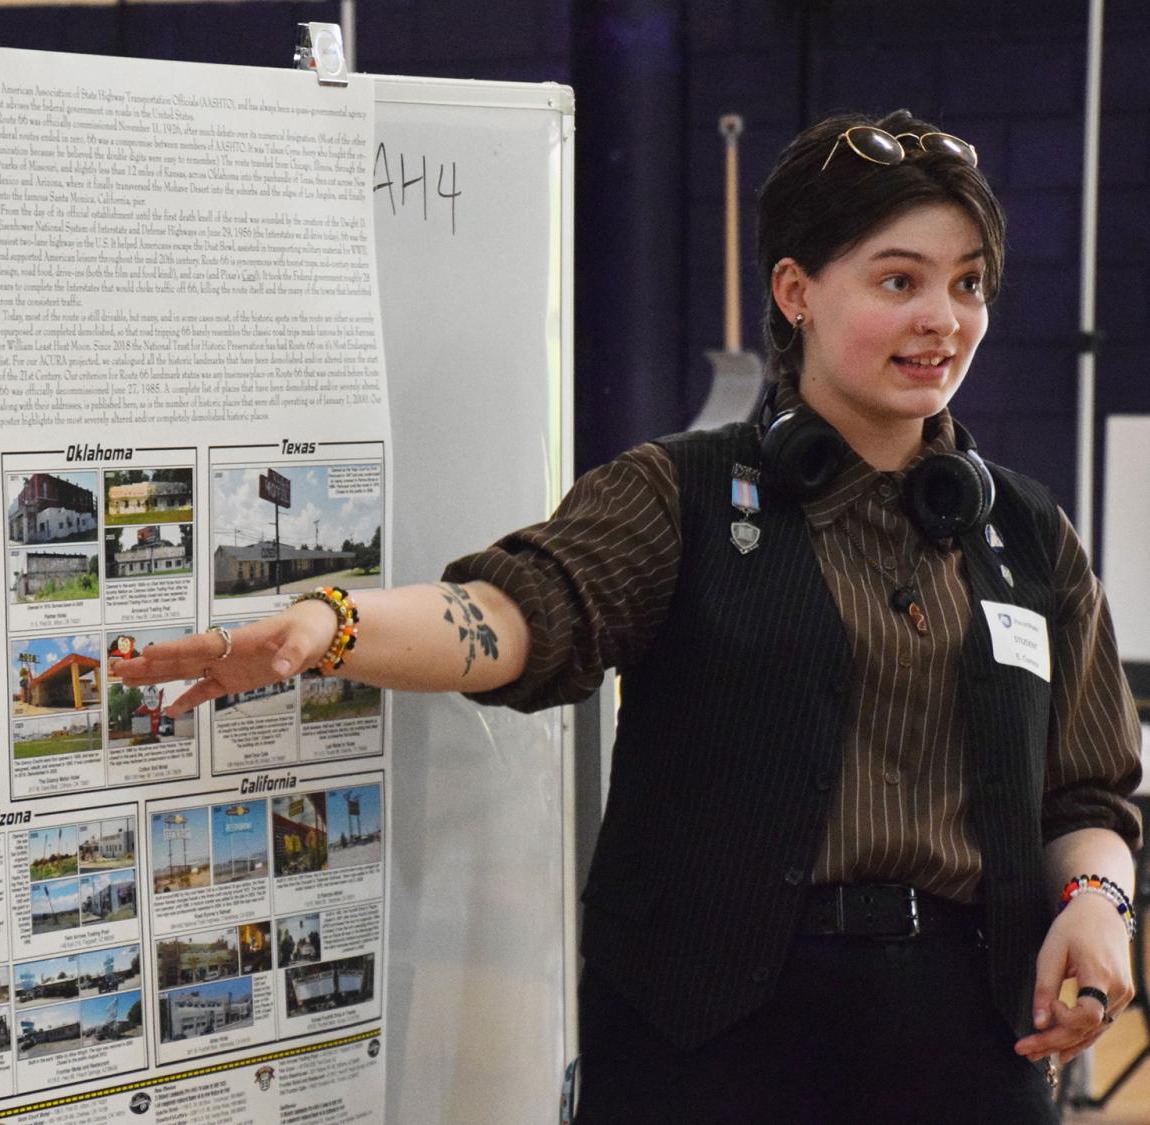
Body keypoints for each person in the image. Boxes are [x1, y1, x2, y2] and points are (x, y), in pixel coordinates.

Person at [114, 110, 1142, 1122]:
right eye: (898, 280)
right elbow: (523, 610)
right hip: (708, 1044)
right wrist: (331, 625)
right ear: (795, 293)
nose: (944, 319)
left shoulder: (1028, 533)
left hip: (967, 1046)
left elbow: (1088, 792)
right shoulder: (679, 494)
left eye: (969, 285)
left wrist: (1095, 908)